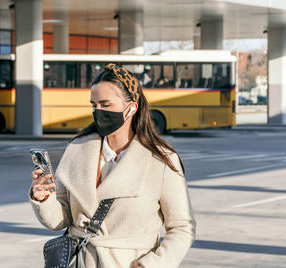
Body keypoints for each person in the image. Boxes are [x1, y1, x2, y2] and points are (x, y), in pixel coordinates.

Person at [29, 63, 197, 268]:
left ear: (131, 108)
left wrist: (152, 265)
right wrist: (43, 198)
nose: (98, 111)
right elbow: (59, 220)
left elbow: (182, 228)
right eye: (94, 105)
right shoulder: (77, 149)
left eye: (105, 105)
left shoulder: (160, 161)